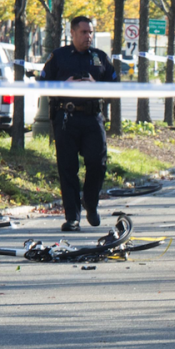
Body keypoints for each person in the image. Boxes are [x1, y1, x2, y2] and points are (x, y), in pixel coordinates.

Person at [40, 16, 119, 232]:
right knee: (68, 168)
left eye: (90, 32)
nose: (88, 36)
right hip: (67, 118)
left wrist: (97, 86)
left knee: (98, 162)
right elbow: (42, 84)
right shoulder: (59, 57)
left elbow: (115, 86)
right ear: (72, 33)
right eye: (84, 32)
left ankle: (90, 203)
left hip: (92, 117)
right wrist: (62, 85)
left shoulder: (100, 58)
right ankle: (72, 216)